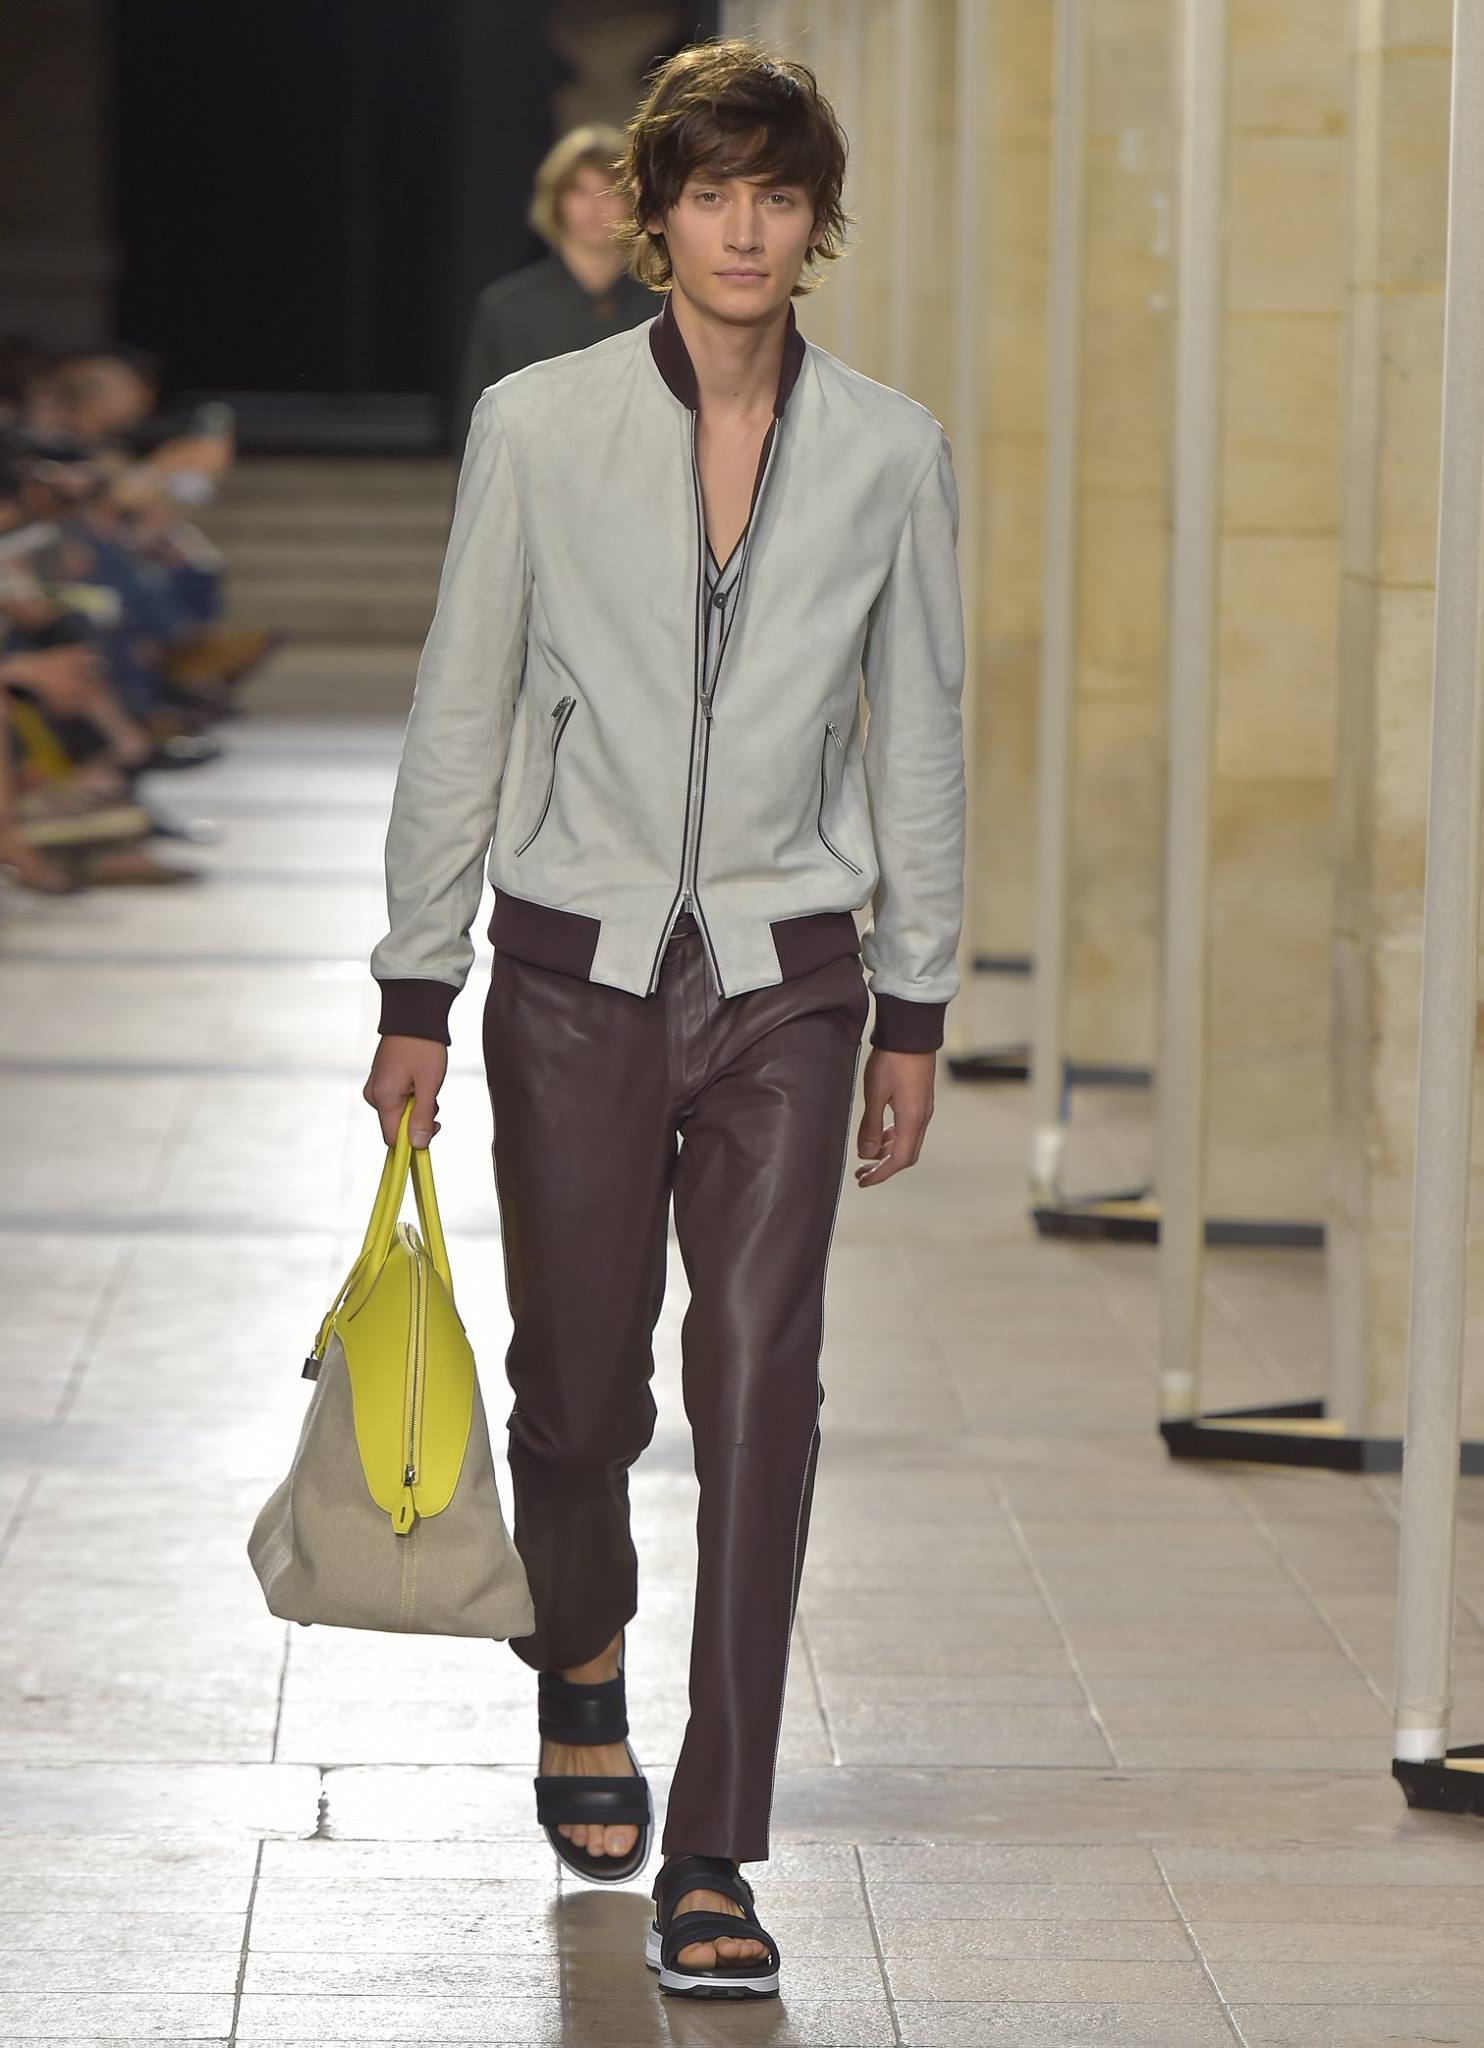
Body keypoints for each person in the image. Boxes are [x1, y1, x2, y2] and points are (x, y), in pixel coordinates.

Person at [364, 34, 966, 2003]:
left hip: (790, 973)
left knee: (761, 1384)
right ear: (652, 214)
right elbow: (463, 698)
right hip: (571, 973)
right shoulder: (538, 425)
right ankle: (581, 1654)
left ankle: (714, 1835)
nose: (743, 228)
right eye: (710, 192)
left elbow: (920, 728)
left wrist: (915, 997)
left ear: (815, 222)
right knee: (576, 1393)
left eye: (776, 195)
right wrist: (418, 978)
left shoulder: (887, 448)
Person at [452, 123, 656, 459]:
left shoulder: (666, 307)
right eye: (578, 190)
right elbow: (477, 433)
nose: (594, 205)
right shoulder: (508, 309)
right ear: (557, 201)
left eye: (609, 190)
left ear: (634, 201)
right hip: (535, 482)